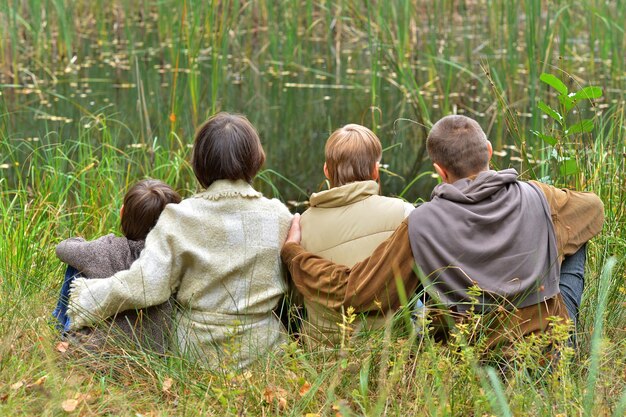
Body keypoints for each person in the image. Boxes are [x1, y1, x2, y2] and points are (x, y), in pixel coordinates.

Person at [281, 115, 604, 348]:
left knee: (422, 277)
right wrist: (543, 242)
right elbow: (594, 211)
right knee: (571, 235)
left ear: (439, 171)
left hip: (475, 352)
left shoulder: (422, 224)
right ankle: (567, 339)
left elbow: (356, 290)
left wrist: (295, 254)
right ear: (489, 152)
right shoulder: (539, 196)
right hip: (547, 345)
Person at [66, 112, 293, 368]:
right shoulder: (280, 216)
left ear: (200, 163)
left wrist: (86, 297)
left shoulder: (180, 217)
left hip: (197, 354)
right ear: (255, 159)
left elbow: (146, 285)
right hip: (264, 353)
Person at [298, 124, 414, 347]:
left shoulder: (302, 223)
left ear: (326, 171)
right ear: (375, 171)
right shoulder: (404, 213)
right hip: (387, 352)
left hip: (320, 352)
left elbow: (296, 298)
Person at [53, 179, 182, 352]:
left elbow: (62, 249)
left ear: (122, 213)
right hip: (153, 352)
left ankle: (61, 327)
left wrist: (85, 243)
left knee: (76, 265)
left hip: (97, 350)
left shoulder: (108, 248)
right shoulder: (176, 259)